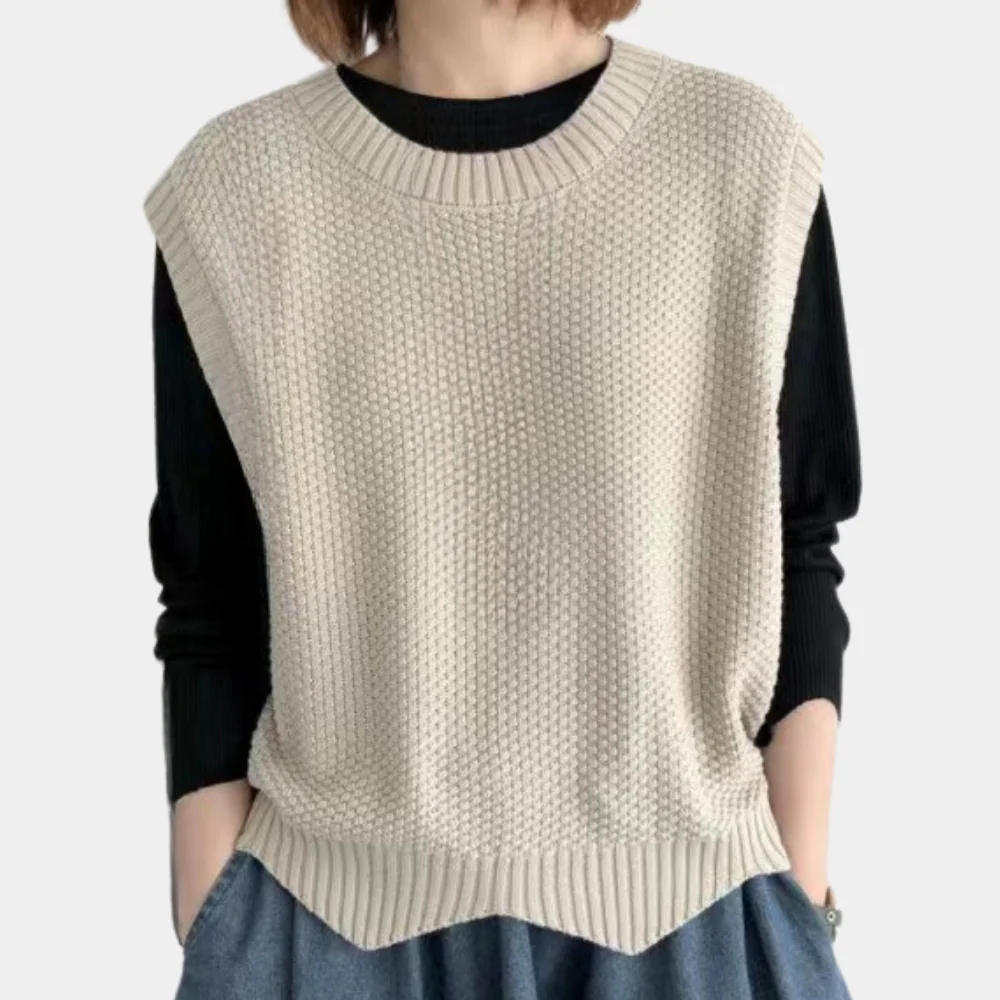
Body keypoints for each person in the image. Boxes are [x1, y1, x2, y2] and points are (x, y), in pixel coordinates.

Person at [143, 1, 862, 997]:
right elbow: (210, 589)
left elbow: (795, 537)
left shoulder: (740, 156)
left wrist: (798, 883)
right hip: (331, 926)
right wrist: (218, 913)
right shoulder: (237, 187)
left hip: (695, 918)